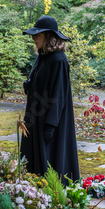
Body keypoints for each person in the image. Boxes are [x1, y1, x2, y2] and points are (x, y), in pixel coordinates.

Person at [21, 16, 80, 185]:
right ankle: (32, 192)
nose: (33, 39)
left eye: (36, 35)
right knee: (33, 160)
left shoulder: (59, 60)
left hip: (50, 121)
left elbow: (59, 95)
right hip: (35, 118)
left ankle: (53, 196)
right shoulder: (42, 56)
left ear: (48, 36)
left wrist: (50, 126)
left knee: (50, 161)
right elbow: (37, 82)